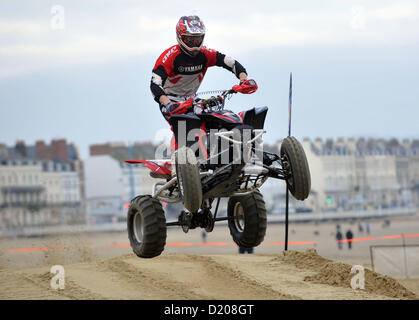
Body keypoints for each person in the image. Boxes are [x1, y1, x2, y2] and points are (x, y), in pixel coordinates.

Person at [150, 15, 255, 123]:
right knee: (188, 128)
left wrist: (244, 80)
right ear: (181, 37)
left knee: (219, 120)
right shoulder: (169, 56)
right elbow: (155, 84)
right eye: (191, 39)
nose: (195, 43)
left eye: (198, 38)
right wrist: (168, 104)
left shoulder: (206, 53)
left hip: (193, 100)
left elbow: (230, 63)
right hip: (171, 102)